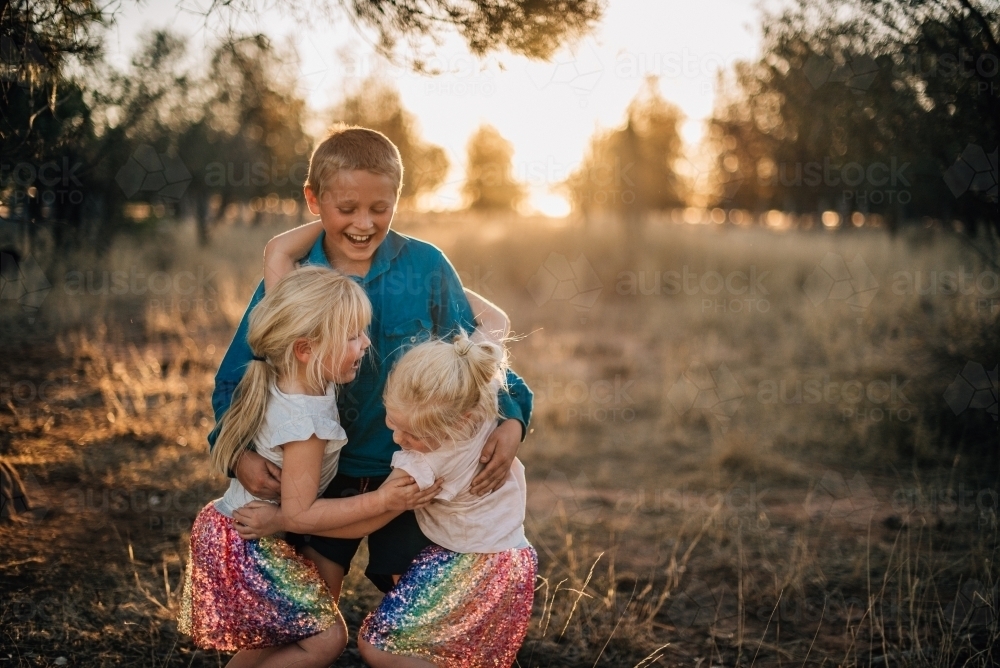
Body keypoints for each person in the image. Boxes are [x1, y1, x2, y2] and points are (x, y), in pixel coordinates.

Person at [209, 125, 533, 599]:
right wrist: (238, 456)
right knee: (311, 609)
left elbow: (475, 360)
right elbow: (237, 378)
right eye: (347, 209)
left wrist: (513, 419)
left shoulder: (426, 267)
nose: (364, 223)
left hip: (411, 473)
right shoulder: (293, 283)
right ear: (314, 200)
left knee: (413, 611)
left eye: (380, 209)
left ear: (397, 199)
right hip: (317, 479)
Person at [179, 266, 440, 668]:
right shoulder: (306, 426)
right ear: (305, 349)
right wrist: (385, 498)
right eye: (352, 336)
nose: (366, 344)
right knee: (323, 639)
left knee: (268, 640)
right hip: (251, 542)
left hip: (233, 527)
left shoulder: (292, 376)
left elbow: (279, 256)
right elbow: (302, 515)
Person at [236, 330, 535, 668]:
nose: (398, 438)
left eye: (413, 434)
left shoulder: (422, 464)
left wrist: (281, 519)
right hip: (511, 559)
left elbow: (367, 519)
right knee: (446, 653)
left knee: (380, 646)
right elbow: (494, 332)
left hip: (468, 567)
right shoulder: (482, 396)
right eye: (392, 421)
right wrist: (513, 424)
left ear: (459, 420)